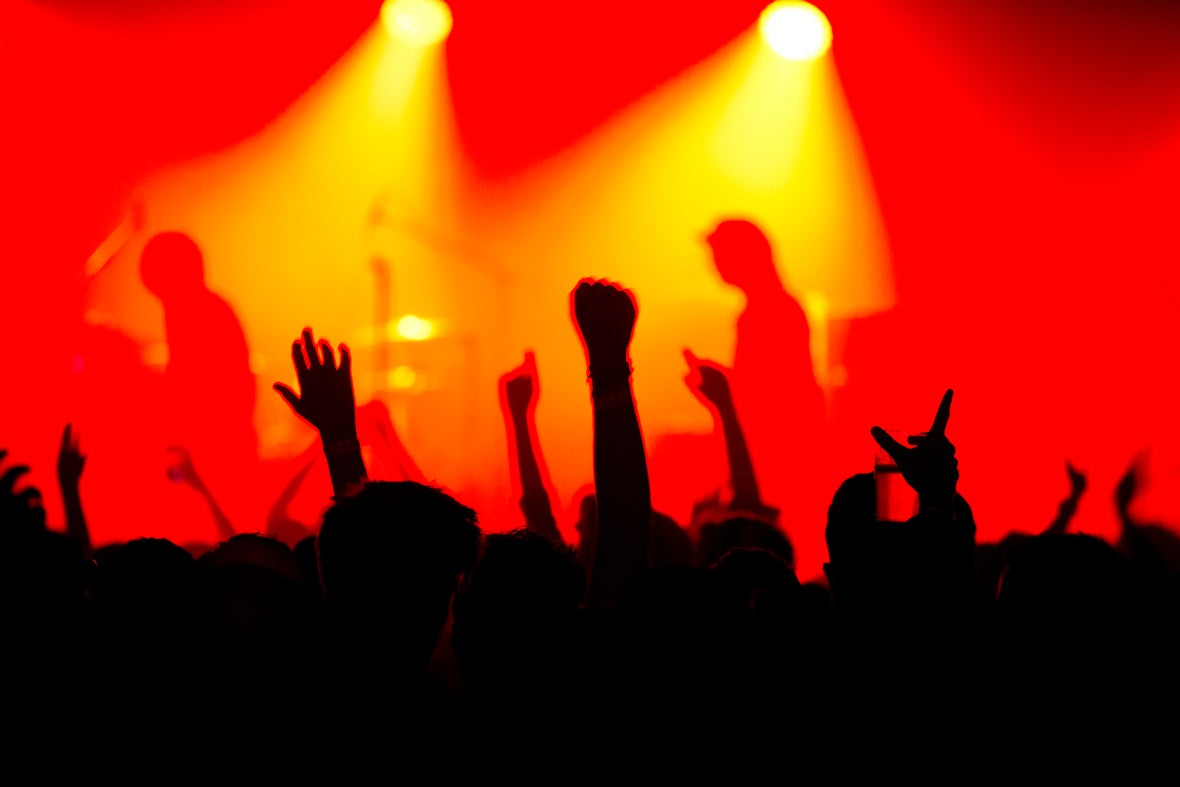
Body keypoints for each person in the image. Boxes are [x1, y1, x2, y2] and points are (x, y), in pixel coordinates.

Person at [703, 218, 828, 578]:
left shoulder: (769, 312)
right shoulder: (770, 310)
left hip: (775, 463)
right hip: (773, 461)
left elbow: (775, 398)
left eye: (720, 254)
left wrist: (725, 391)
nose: (715, 265)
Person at [140, 232, 258, 532]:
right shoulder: (190, 308)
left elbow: (191, 382)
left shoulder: (201, 312)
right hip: (216, 439)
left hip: (219, 440)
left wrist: (179, 441)